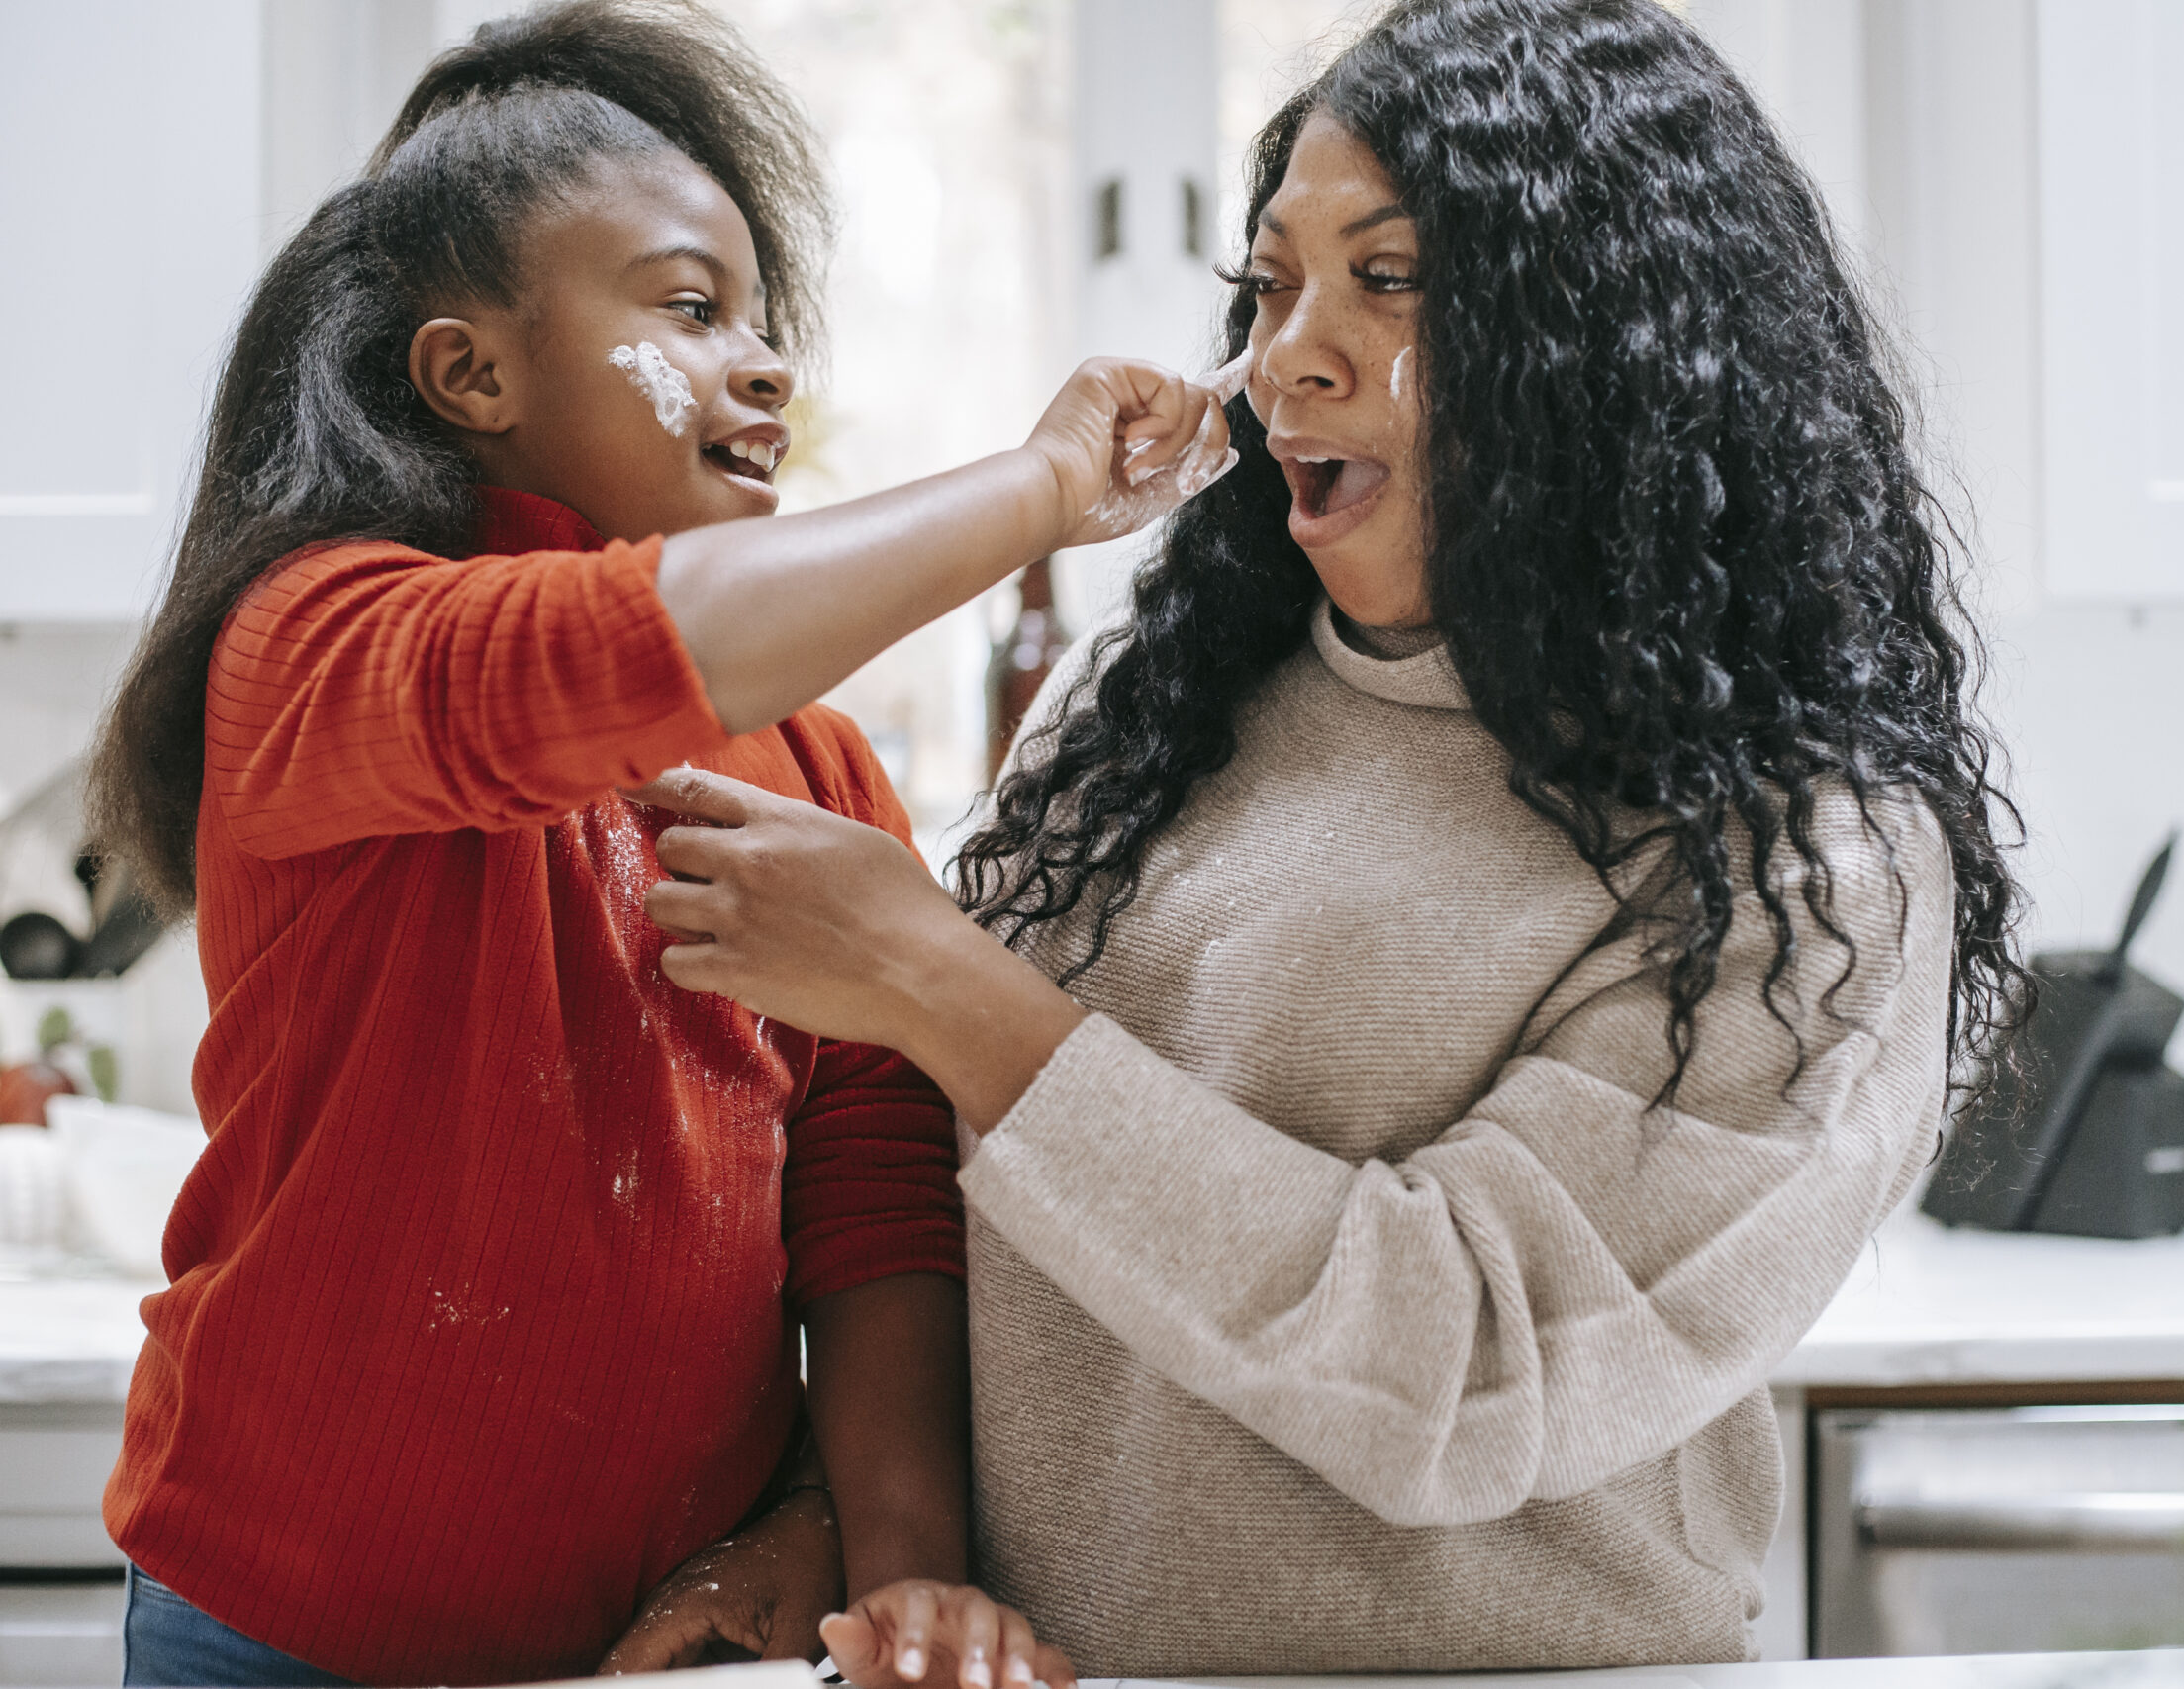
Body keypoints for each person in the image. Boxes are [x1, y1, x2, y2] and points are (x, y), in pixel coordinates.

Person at [617, 0, 2028, 1673]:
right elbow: (951, 1215)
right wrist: (834, 1516)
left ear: (1608, 338)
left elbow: (1474, 1362)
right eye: (1272, 282)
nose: (1291, 354)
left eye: (1390, 278)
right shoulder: (1143, 711)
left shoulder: (1807, 866)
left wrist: (940, 985)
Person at [83, 2, 1230, 1683]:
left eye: (767, 322)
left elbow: (873, 1204)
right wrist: (1046, 484)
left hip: (654, 1644)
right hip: (277, 1632)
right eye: (691, 312)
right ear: (471, 373)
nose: (764, 364)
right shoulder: (317, 648)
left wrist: (894, 1584)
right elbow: (620, 651)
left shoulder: (822, 766)